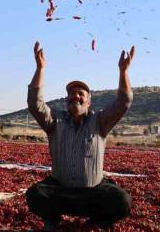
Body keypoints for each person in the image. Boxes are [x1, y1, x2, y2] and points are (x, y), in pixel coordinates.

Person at [25, 41, 135, 231]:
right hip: (61, 191)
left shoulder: (100, 122)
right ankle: (52, 219)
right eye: (71, 94)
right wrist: (40, 68)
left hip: (93, 193)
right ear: (66, 99)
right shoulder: (54, 121)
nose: (75, 96)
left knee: (121, 200)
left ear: (89, 102)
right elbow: (34, 103)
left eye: (80, 93)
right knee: (35, 194)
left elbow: (123, 102)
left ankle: (98, 221)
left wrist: (123, 72)